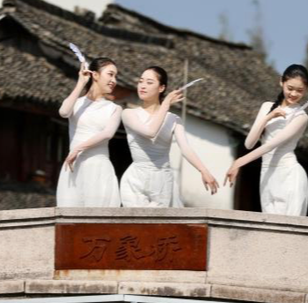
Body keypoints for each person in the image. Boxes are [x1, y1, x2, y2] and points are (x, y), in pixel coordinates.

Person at [120, 66, 218, 207]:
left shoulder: (174, 119)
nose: (142, 86)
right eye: (141, 81)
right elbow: (150, 132)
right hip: (136, 178)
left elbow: (185, 148)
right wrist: (165, 104)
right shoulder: (129, 114)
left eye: (149, 82)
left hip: (162, 179)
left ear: (161, 88)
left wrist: (204, 170)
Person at [224, 64, 308, 216]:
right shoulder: (267, 107)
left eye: (299, 90)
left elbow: (271, 145)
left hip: (289, 175)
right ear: (281, 82)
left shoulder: (301, 117)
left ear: (306, 89)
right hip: (267, 175)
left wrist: (239, 161)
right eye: (290, 88)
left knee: (289, 231)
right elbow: (249, 143)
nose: (294, 93)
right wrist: (269, 117)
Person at [56, 57, 122, 207]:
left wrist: (78, 148)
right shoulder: (77, 103)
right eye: (110, 74)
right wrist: (80, 83)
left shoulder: (114, 109)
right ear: (95, 75)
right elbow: (64, 112)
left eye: (115, 76)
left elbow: (107, 134)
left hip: (99, 168)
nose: (114, 80)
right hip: (74, 166)